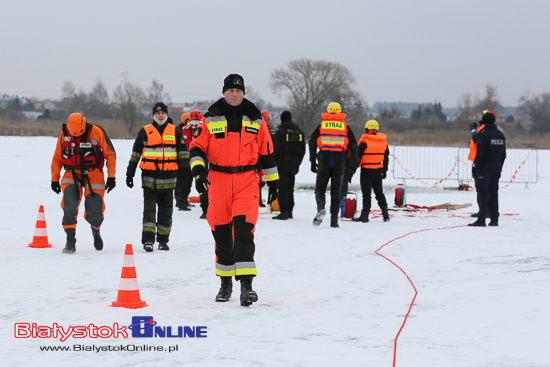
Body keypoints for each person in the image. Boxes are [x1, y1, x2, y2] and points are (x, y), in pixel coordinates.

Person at [189, 74, 279, 306]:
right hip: (217, 180)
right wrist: (199, 173)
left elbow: (267, 152)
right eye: (231, 90)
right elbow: (197, 149)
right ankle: (225, 283)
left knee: (243, 230)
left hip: (247, 180)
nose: (235, 94)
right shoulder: (209, 119)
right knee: (221, 233)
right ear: (224, 92)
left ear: (243, 93)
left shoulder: (256, 120)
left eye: (239, 91)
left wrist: (274, 183)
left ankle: (247, 285)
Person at [126, 102, 191, 251]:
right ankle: (148, 240)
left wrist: (184, 168)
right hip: (149, 179)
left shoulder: (175, 131)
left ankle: (163, 240)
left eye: (162, 113)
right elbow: (136, 154)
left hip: (169, 179)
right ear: (153, 115)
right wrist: (130, 173)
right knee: (149, 211)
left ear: (166, 114)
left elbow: (183, 152)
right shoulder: (144, 132)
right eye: (157, 113)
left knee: (166, 211)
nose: (160, 115)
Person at [51, 112, 117, 254]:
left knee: (96, 211)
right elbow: (57, 157)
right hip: (71, 173)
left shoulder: (97, 132)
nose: (74, 136)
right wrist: (54, 179)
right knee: (69, 207)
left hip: (93, 174)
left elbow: (110, 154)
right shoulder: (64, 133)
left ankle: (96, 231)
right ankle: (70, 241)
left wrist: (111, 176)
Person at [309, 102, 358, 228]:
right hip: (339, 160)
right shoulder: (344, 126)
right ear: (339, 111)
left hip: (324, 159)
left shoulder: (322, 124)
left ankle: (321, 208)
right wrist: (354, 163)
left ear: (328, 110)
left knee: (320, 189)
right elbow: (353, 145)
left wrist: (312, 161)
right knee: (336, 192)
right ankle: (334, 221)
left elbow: (312, 142)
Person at [469, 111, 506, 227]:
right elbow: (503, 154)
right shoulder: (500, 134)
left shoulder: (484, 134)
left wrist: (475, 168)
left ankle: (481, 219)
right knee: (494, 194)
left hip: (485, 169)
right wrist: (500, 167)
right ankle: (494, 219)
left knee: (483, 193)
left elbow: (480, 153)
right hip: (496, 168)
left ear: (484, 121)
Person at [352, 120, 390, 223]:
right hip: (378, 170)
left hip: (366, 170)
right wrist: (385, 170)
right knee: (379, 193)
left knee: (366, 194)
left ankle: (364, 216)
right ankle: (386, 215)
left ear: (366, 129)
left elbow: (357, 157)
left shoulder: (364, 141)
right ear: (376, 129)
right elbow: (386, 157)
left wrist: (352, 171)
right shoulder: (383, 141)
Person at [272, 110, 306, 220]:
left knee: (283, 186)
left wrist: (274, 163)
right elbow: (302, 149)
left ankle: (284, 212)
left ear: (282, 119)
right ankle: (290, 211)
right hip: (294, 162)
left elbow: (275, 149)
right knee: (290, 186)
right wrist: (298, 162)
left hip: (283, 163)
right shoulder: (299, 131)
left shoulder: (281, 131)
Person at [468, 110, 494, 218]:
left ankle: (485, 211)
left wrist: (473, 130)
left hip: (480, 161)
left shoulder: (484, 129)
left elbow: (477, 139)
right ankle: (483, 210)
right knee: (480, 188)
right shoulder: (483, 128)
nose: (480, 117)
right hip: (477, 159)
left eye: (482, 116)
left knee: (482, 188)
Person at [177, 110, 203, 212]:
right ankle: (205, 204)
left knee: (186, 182)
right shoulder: (201, 127)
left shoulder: (184, 128)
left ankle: (182, 201)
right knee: (200, 181)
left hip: (186, 158)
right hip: (198, 157)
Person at [258, 110, 275, 208]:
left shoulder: (271, 131)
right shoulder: (259, 130)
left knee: (265, 181)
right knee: (259, 182)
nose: (268, 121)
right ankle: (258, 200)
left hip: (269, 159)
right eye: (266, 119)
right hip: (260, 160)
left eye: (269, 120)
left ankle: (269, 201)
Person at [175, 112, 192, 210]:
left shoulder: (189, 129)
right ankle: (179, 200)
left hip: (186, 158)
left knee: (186, 181)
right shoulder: (179, 130)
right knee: (181, 181)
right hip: (180, 159)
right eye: (188, 120)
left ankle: (184, 200)